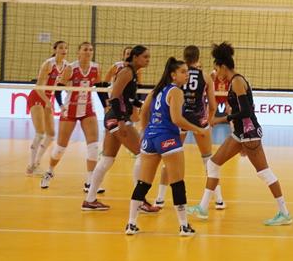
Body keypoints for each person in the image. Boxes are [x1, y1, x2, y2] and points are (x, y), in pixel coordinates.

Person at [189, 42, 292, 226]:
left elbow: (246, 111)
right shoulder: (234, 81)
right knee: (213, 164)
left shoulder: (237, 81)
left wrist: (221, 119)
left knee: (264, 172)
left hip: (249, 133)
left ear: (223, 66)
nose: (216, 73)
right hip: (240, 133)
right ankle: (203, 208)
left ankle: (284, 213)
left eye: (216, 69)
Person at [127, 58, 201, 236]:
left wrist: (145, 130)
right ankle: (184, 226)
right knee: (177, 183)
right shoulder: (176, 91)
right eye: (183, 72)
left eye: (187, 71)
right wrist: (198, 129)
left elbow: (144, 111)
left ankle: (131, 224)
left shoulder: (157, 90)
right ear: (173, 75)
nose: (187, 74)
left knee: (143, 183)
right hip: (167, 138)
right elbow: (177, 119)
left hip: (150, 138)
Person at [81, 45, 152, 212]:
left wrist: (143, 105)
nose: (148, 60)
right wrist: (121, 121)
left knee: (107, 159)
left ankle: (90, 200)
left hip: (115, 118)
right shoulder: (127, 72)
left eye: (149, 57)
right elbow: (113, 97)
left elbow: (129, 99)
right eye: (145, 57)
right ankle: (139, 201)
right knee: (142, 153)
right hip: (117, 118)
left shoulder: (133, 73)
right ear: (135, 57)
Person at [156, 45, 222, 210]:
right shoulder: (205, 77)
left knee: (170, 159)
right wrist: (208, 122)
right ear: (198, 58)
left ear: (184, 57)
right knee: (208, 160)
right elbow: (213, 105)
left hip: (180, 119)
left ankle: (159, 198)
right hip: (199, 120)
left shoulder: (178, 75)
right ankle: (219, 200)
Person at [40, 42, 101, 193]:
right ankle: (49, 171)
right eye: (85, 49)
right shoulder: (71, 68)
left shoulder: (96, 68)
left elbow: (100, 89)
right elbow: (58, 90)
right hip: (70, 110)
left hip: (88, 109)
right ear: (79, 52)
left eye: (91, 50)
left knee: (94, 147)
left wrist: (107, 105)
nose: (88, 52)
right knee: (60, 147)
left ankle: (90, 181)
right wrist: (61, 105)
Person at [26, 41, 68, 176]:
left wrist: (63, 103)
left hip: (48, 98)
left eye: (66, 48)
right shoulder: (48, 64)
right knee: (40, 133)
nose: (64, 50)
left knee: (51, 134)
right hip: (38, 96)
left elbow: (63, 87)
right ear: (55, 50)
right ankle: (31, 166)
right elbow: (38, 87)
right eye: (61, 47)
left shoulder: (67, 66)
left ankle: (37, 163)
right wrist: (47, 101)